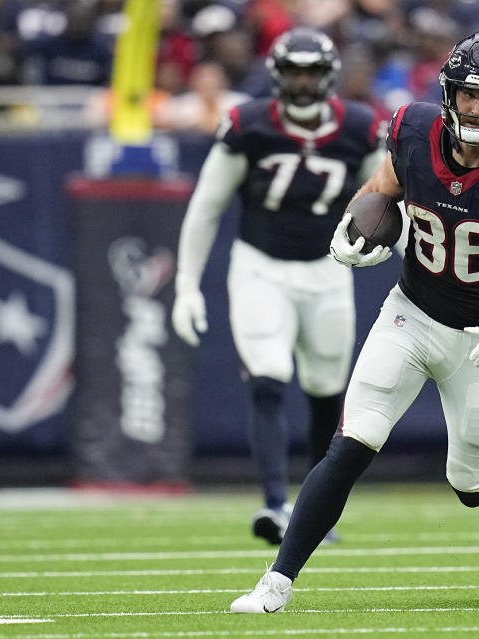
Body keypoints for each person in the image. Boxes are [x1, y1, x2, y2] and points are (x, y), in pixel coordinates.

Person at [230, 30, 479, 613]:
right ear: (448, 92)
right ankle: (276, 583)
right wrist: (353, 233)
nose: (476, 108)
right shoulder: (413, 131)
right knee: (351, 444)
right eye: (468, 95)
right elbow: (379, 192)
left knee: (472, 484)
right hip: (410, 314)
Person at [171, 27, 386, 545]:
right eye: (295, 71)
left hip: (328, 269)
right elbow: (206, 205)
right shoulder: (248, 124)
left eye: (313, 71)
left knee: (325, 391)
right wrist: (186, 284)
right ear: (277, 75)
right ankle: (273, 504)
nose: (305, 81)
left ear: (329, 75)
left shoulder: (358, 127)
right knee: (267, 378)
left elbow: (387, 196)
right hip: (260, 266)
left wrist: (392, 245)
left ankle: (314, 511)